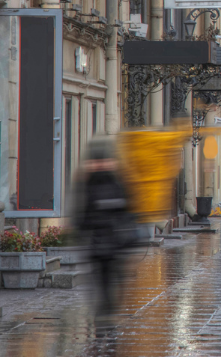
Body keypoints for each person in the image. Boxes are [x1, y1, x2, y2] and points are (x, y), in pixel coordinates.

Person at [75, 138, 134, 329]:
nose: (100, 164)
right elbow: (79, 212)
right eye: (96, 161)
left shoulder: (118, 180)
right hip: (95, 242)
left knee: (111, 279)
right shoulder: (86, 182)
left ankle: (108, 310)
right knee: (98, 280)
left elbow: (128, 209)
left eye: (103, 160)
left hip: (114, 241)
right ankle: (102, 311)